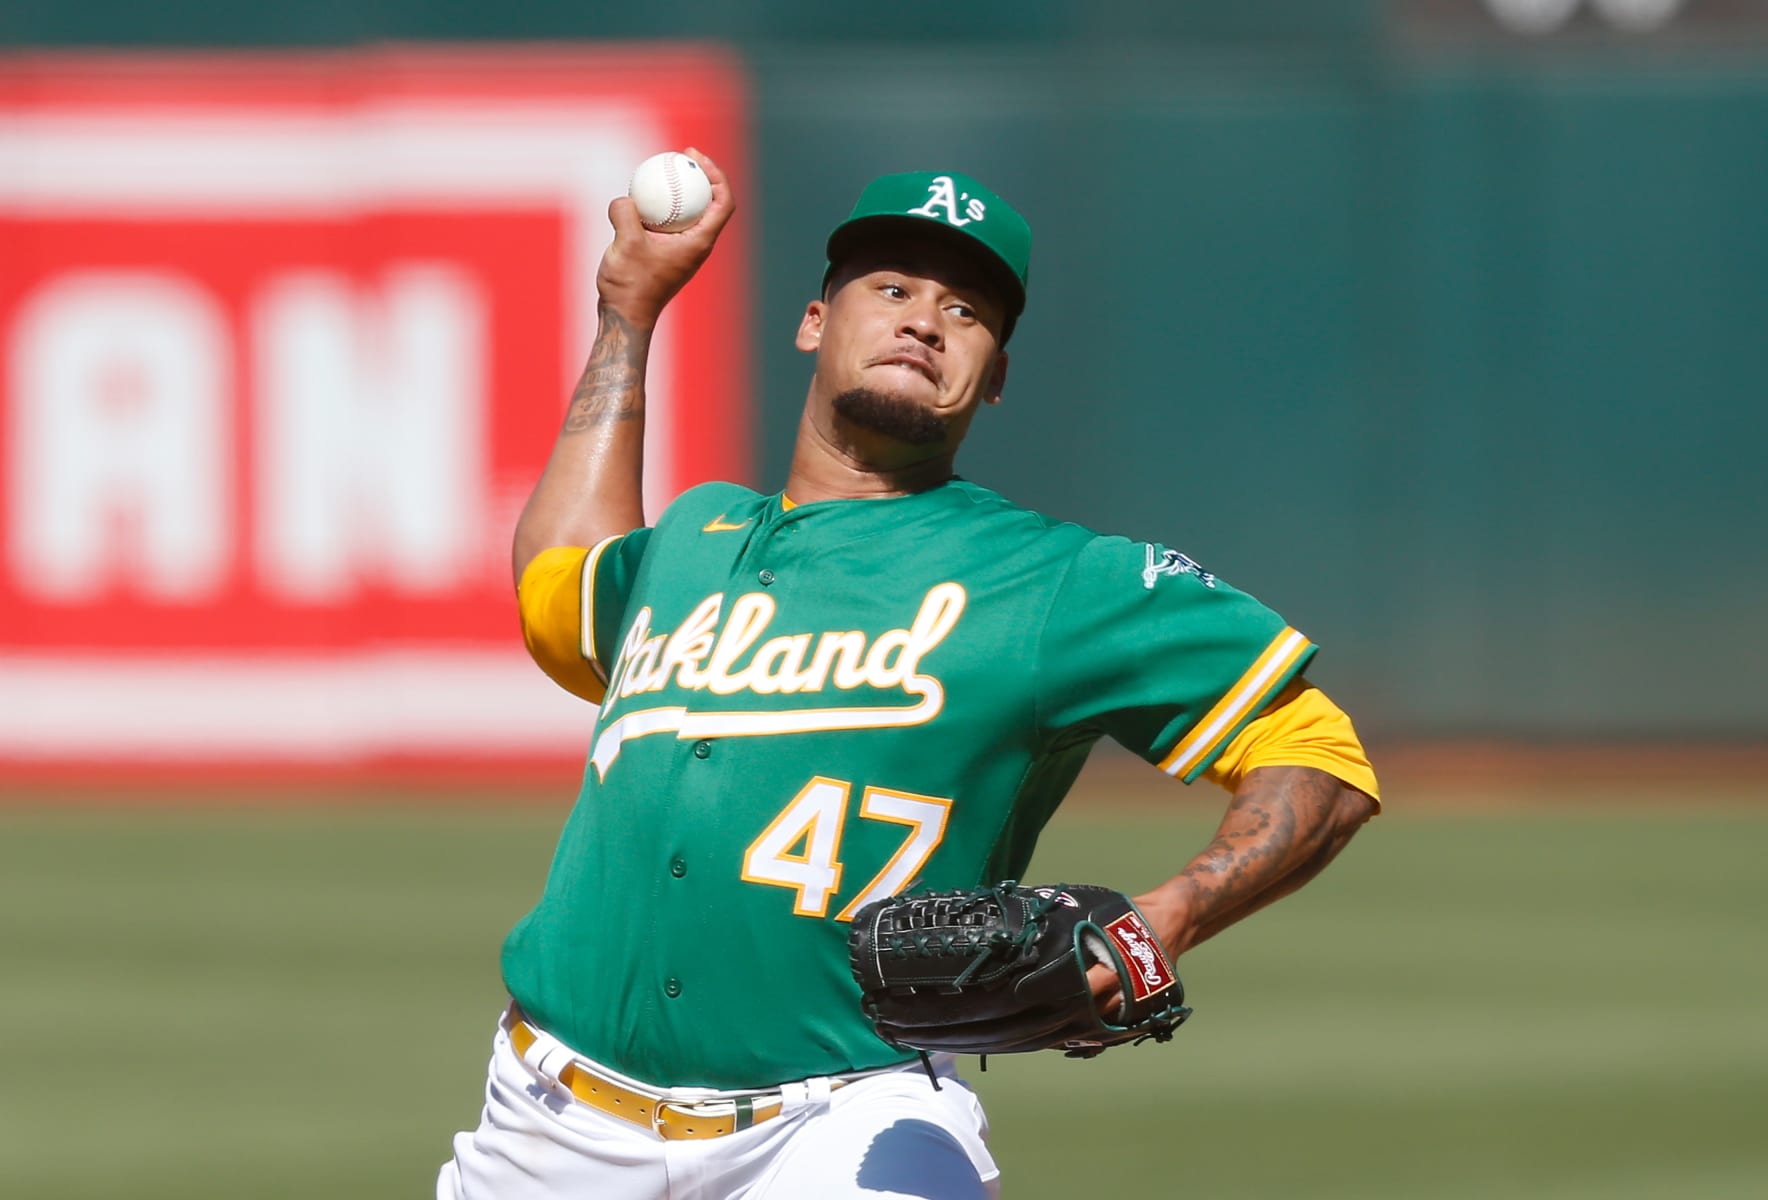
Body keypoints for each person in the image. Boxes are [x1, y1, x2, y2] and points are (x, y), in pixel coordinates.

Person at [437, 150, 1380, 1200]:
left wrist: (1173, 914)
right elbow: (558, 592)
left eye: (966, 311)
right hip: (547, 1123)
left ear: (996, 376)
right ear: (813, 323)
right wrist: (628, 313)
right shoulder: (698, 536)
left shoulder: (1057, 581)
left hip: (844, 1124)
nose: (925, 321)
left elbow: (1321, 758)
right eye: (891, 289)